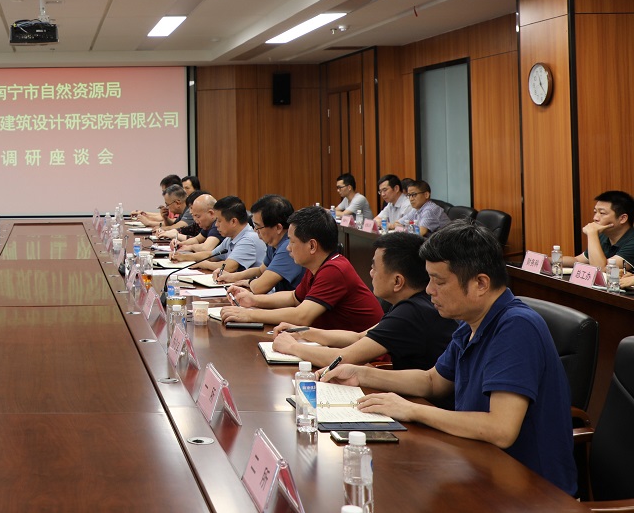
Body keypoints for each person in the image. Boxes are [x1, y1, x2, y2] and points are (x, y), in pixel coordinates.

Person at [324, 221, 576, 496]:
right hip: (477, 468)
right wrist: (361, 373)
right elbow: (432, 381)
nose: (429, 290)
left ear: (480, 283)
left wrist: (412, 410)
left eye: (439, 281)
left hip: (529, 492)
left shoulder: (516, 326)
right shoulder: (471, 323)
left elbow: (501, 429)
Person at [271, 232, 457, 372]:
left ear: (397, 281)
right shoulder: (414, 303)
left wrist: (292, 347)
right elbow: (359, 337)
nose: (370, 273)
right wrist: (303, 332)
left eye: (375, 268)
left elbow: (342, 358)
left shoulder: (412, 312)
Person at [222, 206, 383, 330]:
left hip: (369, 357)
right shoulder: (317, 266)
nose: (288, 248)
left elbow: (301, 316)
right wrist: (253, 300)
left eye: (292, 242)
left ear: (312, 246)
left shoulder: (334, 270)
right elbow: (294, 298)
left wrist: (250, 315)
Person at [222, 195, 305, 292]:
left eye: (258, 226)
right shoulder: (273, 242)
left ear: (278, 228)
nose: (255, 230)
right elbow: (261, 270)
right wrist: (232, 276)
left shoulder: (288, 247)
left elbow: (259, 288)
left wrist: (249, 282)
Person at [563, 190, 634, 270]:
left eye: (602, 213)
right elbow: (578, 260)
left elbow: (602, 269)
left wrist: (592, 234)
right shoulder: (603, 236)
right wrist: (553, 260)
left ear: (623, 218)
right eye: (595, 212)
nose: (595, 218)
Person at [204, 197, 264, 275]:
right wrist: (188, 257)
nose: (216, 225)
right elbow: (211, 256)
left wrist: (203, 264)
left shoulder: (249, 239)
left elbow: (229, 267)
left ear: (233, 221)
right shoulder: (231, 237)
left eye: (219, 221)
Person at [172, 194, 221, 261]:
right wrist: (180, 244)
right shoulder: (208, 225)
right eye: (193, 216)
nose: (195, 220)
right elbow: (197, 239)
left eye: (198, 216)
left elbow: (206, 248)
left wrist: (191, 247)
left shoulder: (218, 225)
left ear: (211, 213)